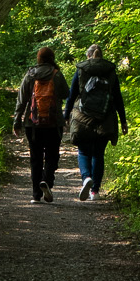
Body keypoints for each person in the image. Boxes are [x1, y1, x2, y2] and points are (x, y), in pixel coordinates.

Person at [64, 43, 127, 201]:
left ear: (88, 56)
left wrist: (65, 116)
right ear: (101, 55)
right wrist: (123, 121)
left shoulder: (82, 69)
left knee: (84, 151)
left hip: (82, 118)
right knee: (98, 154)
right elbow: (118, 98)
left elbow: (72, 95)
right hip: (105, 118)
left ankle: (86, 178)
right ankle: (95, 191)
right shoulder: (110, 71)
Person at [13, 44, 68, 203]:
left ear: (38, 59)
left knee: (35, 158)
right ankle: (47, 181)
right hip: (53, 124)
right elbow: (66, 93)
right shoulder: (57, 75)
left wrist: (17, 121)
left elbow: (21, 101)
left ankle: (36, 195)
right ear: (52, 59)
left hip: (33, 124)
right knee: (52, 155)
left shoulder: (30, 75)